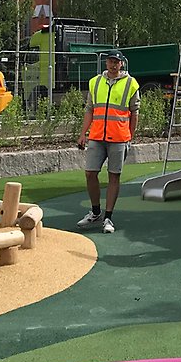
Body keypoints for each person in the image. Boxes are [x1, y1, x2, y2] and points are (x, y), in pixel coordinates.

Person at [77, 50, 140, 234]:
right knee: (90, 173)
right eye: (110, 61)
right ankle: (96, 211)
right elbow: (90, 109)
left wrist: (130, 135)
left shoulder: (130, 83)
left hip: (119, 137)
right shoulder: (95, 82)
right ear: (106, 63)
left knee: (114, 176)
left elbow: (134, 112)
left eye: (116, 62)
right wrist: (83, 134)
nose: (113, 65)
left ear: (121, 64)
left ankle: (108, 217)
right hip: (97, 136)